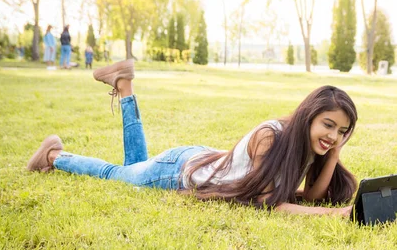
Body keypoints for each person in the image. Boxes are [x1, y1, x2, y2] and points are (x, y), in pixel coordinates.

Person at [26, 60, 358, 217]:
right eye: (328, 125)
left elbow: (313, 196)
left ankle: (124, 86)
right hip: (180, 169)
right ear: (308, 115)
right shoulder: (273, 136)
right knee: (120, 174)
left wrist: (332, 155)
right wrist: (337, 215)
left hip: (201, 159)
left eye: (342, 131)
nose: (333, 136)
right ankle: (54, 156)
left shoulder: (310, 144)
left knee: (133, 167)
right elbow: (267, 203)